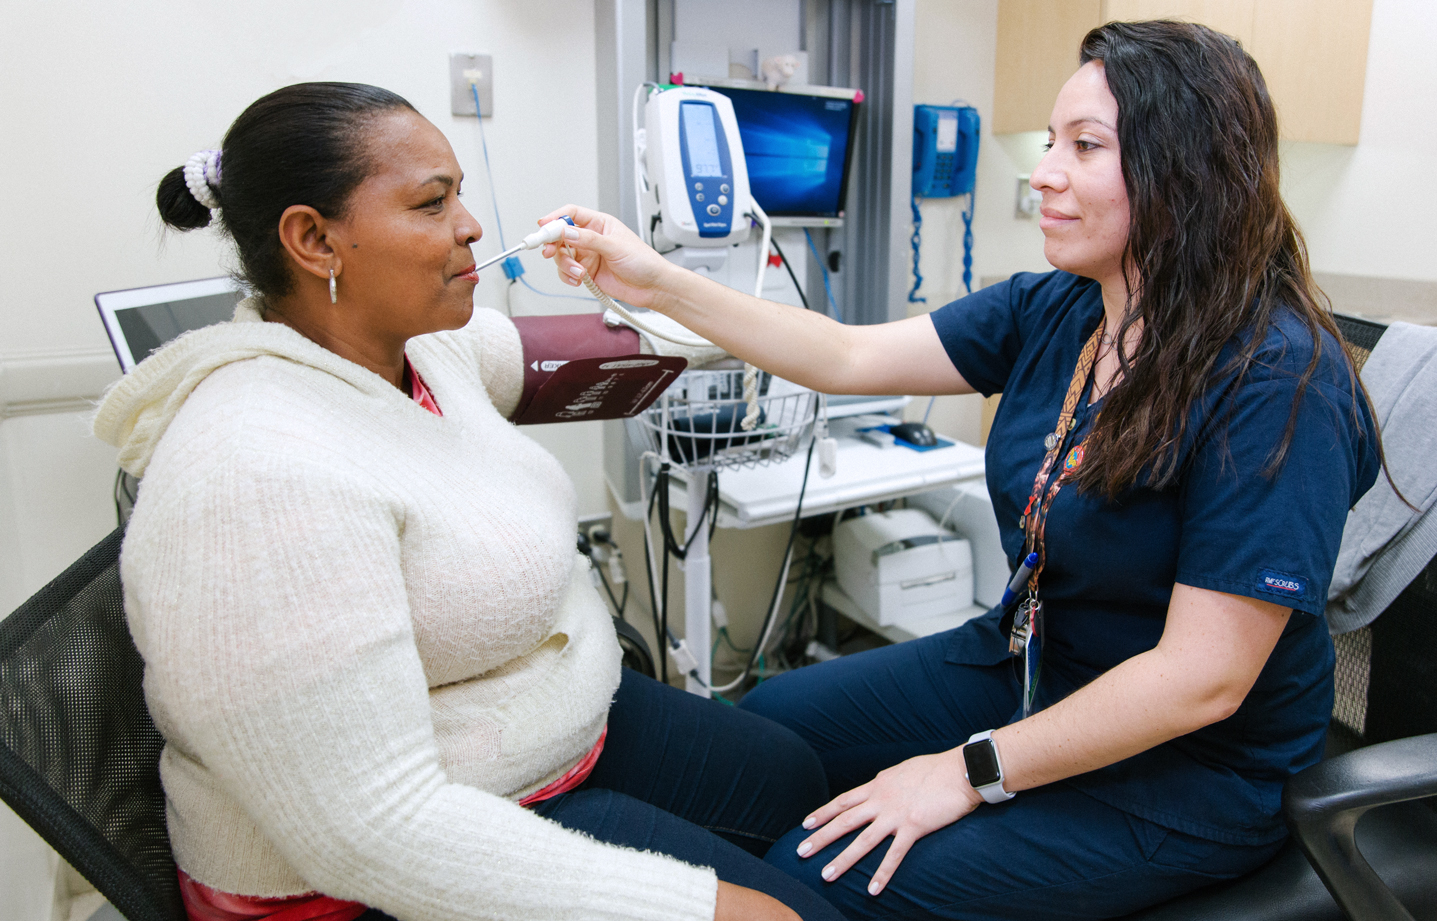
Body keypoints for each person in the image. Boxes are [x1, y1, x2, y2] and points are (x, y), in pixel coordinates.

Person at [540, 20, 1381, 920]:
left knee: (822, 872)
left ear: (1186, 169)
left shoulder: (1275, 378)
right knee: (774, 728)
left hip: (1190, 767)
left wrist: (965, 771)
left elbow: (1199, 679)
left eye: (1083, 146)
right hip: (1028, 662)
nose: (1044, 171)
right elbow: (845, 356)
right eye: (1050, 142)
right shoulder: (1061, 307)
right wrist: (654, 279)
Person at [92, 82, 850, 921]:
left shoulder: (419, 350)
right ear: (314, 240)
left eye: (458, 192)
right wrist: (704, 908)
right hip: (366, 871)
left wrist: (667, 287)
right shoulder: (254, 470)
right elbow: (372, 830)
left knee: (793, 777)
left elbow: (612, 352)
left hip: (535, 721)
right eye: (431, 202)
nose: (472, 225)